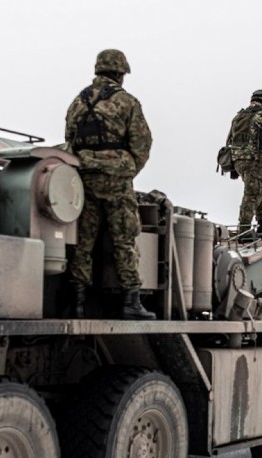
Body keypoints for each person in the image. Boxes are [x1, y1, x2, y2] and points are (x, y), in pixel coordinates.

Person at [65, 49, 155, 320]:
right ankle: (131, 302)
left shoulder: (77, 103)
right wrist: (126, 170)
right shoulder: (127, 102)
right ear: (120, 73)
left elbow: (69, 139)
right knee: (125, 238)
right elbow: (142, 143)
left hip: (84, 177)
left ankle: (77, 303)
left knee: (83, 240)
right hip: (116, 180)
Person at [226, 90, 262, 233]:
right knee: (252, 193)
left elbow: (230, 141)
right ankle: (244, 229)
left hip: (237, 161)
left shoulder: (238, 117)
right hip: (254, 160)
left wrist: (233, 167)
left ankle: (261, 220)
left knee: (257, 187)